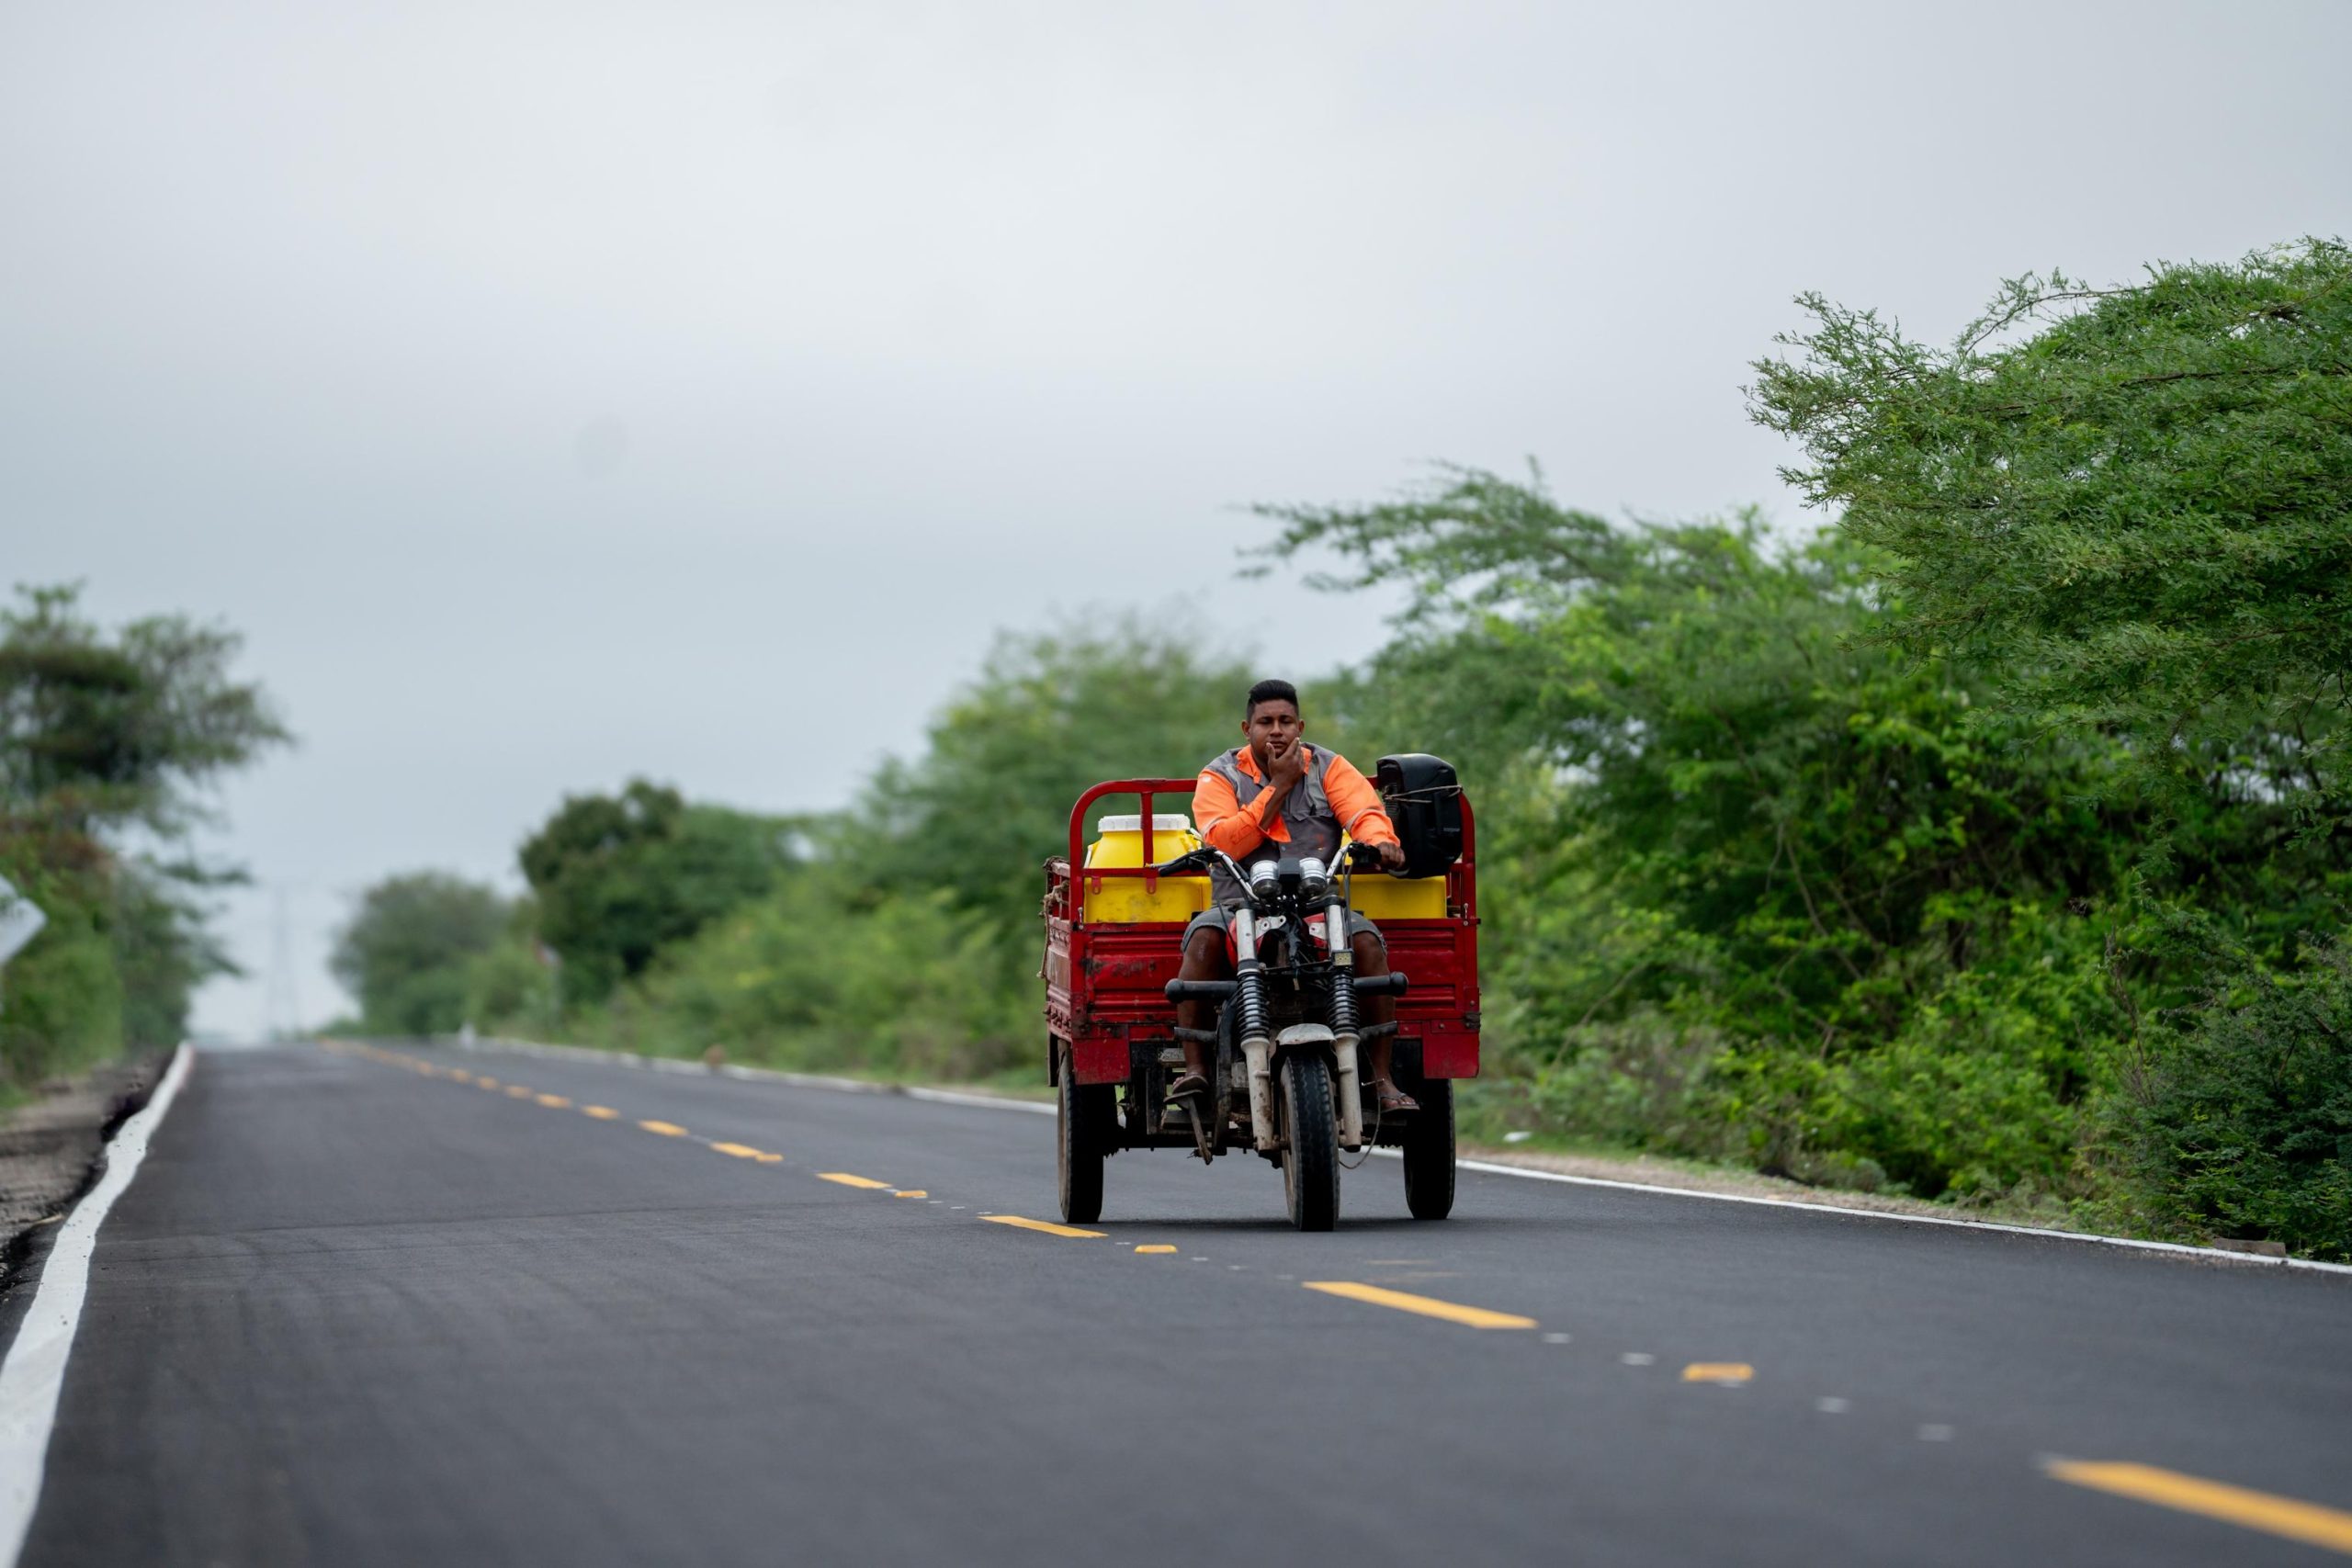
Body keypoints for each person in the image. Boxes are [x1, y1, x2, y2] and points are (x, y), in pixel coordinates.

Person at [1170, 678, 1419, 1113]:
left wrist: (1381, 840)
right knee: (1202, 941)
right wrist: (1280, 786)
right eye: (1266, 722)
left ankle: (1381, 1078)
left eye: (1286, 721)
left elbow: (1365, 811)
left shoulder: (1329, 766)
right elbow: (1224, 841)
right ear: (1246, 730)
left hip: (1318, 906)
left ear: (1300, 725)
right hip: (1237, 908)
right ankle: (1197, 1070)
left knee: (1367, 944)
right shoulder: (1218, 776)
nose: (1277, 730)